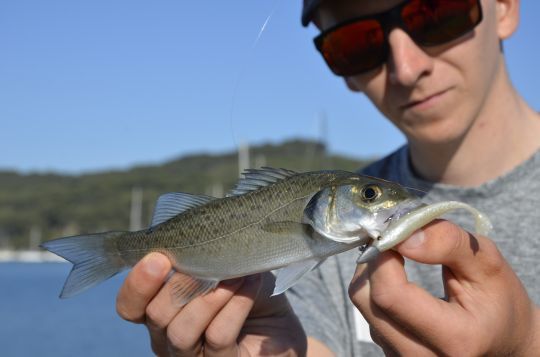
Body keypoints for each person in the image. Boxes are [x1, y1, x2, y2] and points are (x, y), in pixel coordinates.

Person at [115, 0, 540, 355]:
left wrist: (524, 344)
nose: (406, 67)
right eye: (357, 44)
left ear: (504, 7)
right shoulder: (322, 253)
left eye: (434, 12)